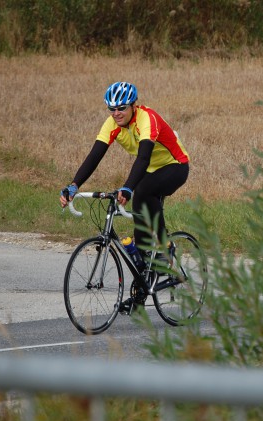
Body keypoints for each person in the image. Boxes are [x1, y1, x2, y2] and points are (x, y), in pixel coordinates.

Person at [60, 81, 190, 311]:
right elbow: (94, 156)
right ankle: (140, 292)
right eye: (111, 109)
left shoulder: (146, 119)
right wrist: (73, 185)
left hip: (175, 166)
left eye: (121, 108)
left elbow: (143, 158)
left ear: (133, 106)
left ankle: (164, 248)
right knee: (139, 244)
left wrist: (128, 187)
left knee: (141, 192)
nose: (116, 113)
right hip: (150, 170)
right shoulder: (111, 124)